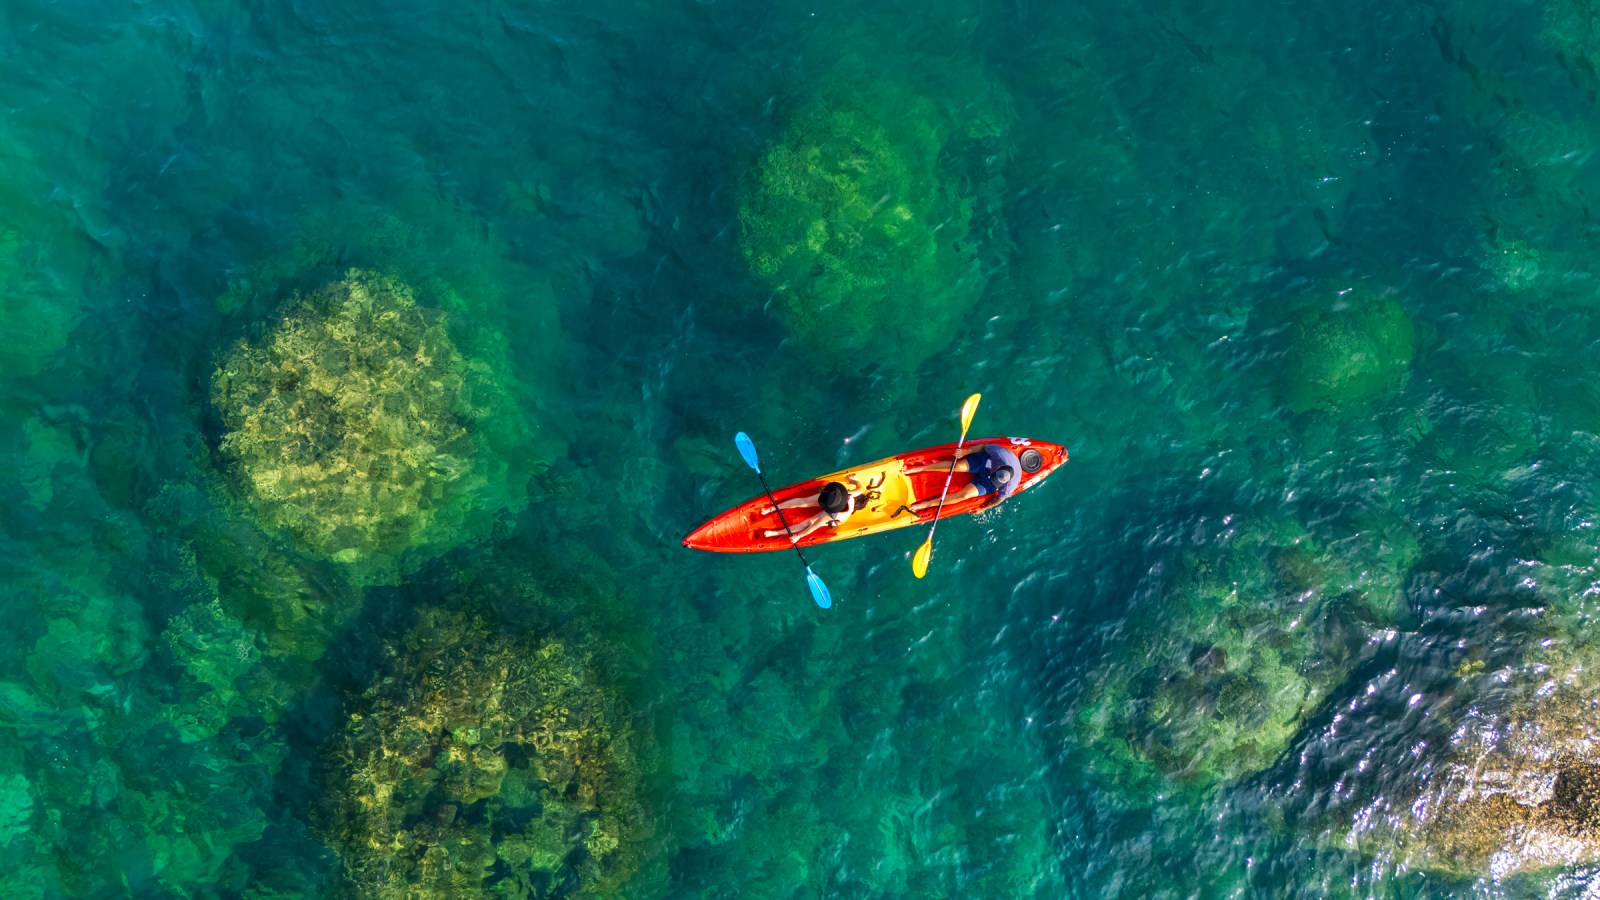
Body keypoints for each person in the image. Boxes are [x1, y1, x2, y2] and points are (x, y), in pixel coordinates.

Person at [898, 443, 1022, 516]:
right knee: (957, 466)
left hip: (987, 482)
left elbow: (998, 499)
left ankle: (925, 504)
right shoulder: (999, 453)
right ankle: (919, 469)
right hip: (984, 462)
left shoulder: (1009, 486)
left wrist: (983, 508)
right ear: (999, 466)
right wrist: (966, 451)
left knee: (964, 495)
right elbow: (984, 447)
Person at [761, 473, 884, 543]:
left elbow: (812, 527)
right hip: (831, 500)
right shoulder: (845, 495)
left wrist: (798, 536)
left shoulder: (834, 515)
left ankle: (774, 533)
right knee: (804, 502)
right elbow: (859, 489)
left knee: (806, 523)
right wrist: (856, 481)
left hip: (832, 516)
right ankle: (772, 508)